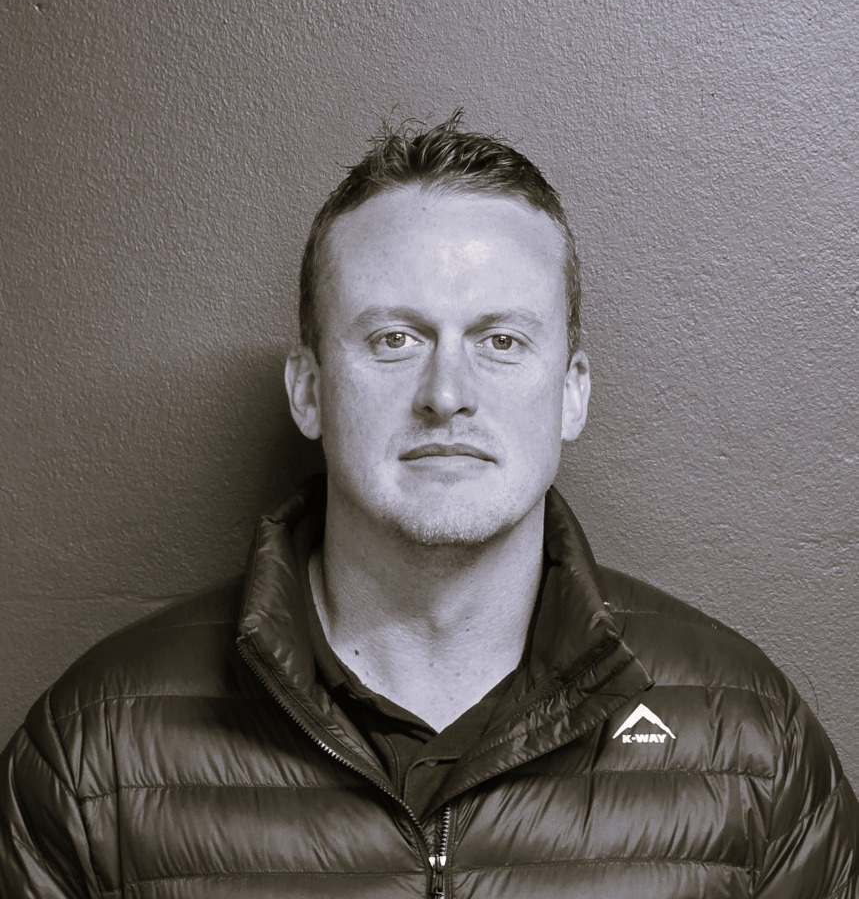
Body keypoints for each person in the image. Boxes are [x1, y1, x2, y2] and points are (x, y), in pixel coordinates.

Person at [1, 114, 857, 899]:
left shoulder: (752, 748)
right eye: (394, 339)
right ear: (308, 389)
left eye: (501, 340)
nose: (446, 394)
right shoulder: (93, 761)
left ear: (571, 392)